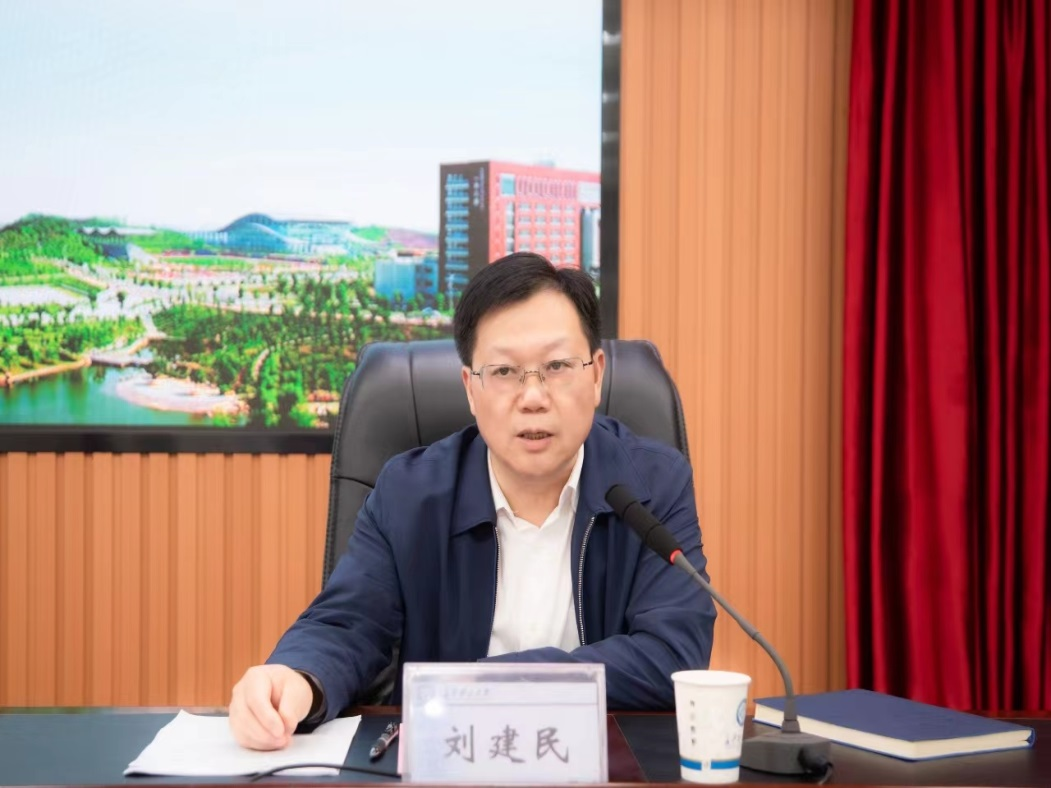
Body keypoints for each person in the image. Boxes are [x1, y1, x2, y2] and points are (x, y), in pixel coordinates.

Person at [228, 252, 716, 750]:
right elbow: (349, 623)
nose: (533, 397)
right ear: (470, 388)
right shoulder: (410, 493)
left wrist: (494, 684)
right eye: (504, 371)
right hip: (447, 761)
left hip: (605, 764)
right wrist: (297, 677)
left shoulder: (652, 484)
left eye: (556, 366)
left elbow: (673, 654)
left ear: (596, 376)